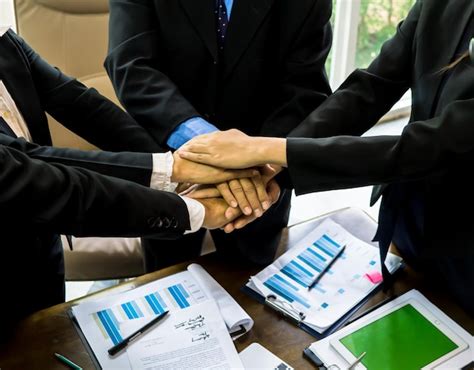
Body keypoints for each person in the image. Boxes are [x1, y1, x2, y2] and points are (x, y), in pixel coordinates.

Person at [178, 0, 474, 315]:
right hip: (410, 222)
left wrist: (266, 149)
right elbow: (370, 88)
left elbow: (428, 146)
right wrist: (274, 168)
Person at [0, 28, 259, 334]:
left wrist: (180, 170)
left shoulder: (6, 40)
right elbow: (45, 181)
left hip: (41, 257)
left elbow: (80, 104)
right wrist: (190, 202)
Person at [105, 0, 333, 270]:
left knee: (250, 284)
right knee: (167, 280)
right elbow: (131, 66)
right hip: (170, 163)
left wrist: (259, 163)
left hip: (261, 178)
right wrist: (208, 145)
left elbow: (305, 90)